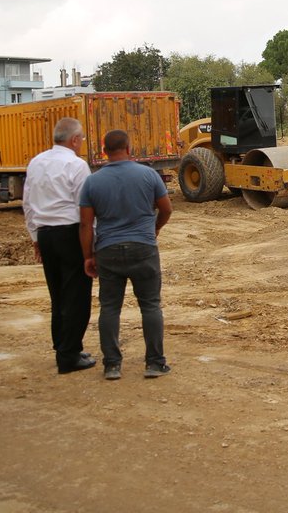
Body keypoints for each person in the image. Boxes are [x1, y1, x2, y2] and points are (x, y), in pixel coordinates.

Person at [79, 129, 173, 380]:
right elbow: (166, 209)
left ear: (103, 150)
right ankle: (154, 362)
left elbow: (86, 224)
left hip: (108, 250)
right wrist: (154, 229)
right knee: (150, 305)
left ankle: (112, 365)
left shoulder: (92, 181)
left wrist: (88, 256)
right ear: (129, 148)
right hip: (143, 248)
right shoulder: (148, 175)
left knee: (109, 307)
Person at [23, 117, 96, 375]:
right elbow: (85, 209)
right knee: (76, 296)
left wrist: (35, 237)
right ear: (74, 140)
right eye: (82, 139)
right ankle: (69, 356)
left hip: (45, 234)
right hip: (69, 234)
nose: (82, 143)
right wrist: (90, 246)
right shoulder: (76, 165)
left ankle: (64, 347)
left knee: (58, 296)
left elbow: (28, 203)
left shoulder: (36, 162)